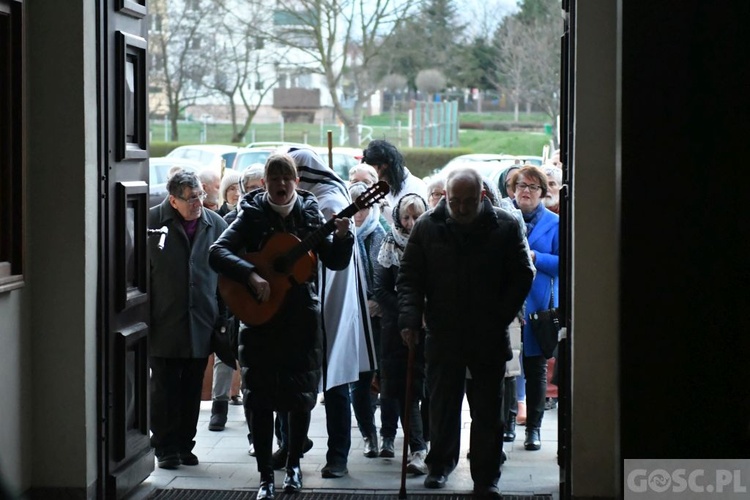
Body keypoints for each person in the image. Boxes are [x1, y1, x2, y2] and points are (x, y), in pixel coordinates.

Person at [208, 153, 354, 499]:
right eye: (274, 178)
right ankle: (264, 476)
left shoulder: (311, 213)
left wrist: (345, 237)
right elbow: (217, 252)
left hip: (301, 321)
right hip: (259, 323)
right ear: (265, 183)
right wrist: (251, 273)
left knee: (299, 397)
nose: (281, 184)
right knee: (259, 399)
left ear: (297, 182)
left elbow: (334, 261)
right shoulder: (251, 213)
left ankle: (293, 467)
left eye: (287, 178)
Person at [397, 167, 534, 497]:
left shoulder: (505, 225)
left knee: (488, 410)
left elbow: (523, 273)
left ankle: (486, 477)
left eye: (468, 201)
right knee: (442, 404)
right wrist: (410, 318)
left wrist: (500, 315)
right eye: (454, 201)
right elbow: (410, 278)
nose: (460, 208)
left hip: (488, 332)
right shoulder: (429, 227)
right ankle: (440, 464)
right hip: (443, 331)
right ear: (445, 197)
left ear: (482, 196)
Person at [290, 147, 377, 479]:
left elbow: (333, 254)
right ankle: (295, 449)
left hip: (333, 303)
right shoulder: (305, 200)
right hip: (308, 299)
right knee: (300, 382)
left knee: (335, 382)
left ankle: (337, 455)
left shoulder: (328, 199)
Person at [148, 170, 229, 469]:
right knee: (165, 388)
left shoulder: (215, 224)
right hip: (164, 320)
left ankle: (185, 444)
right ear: (173, 200)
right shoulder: (152, 223)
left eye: (201, 196)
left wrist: (223, 317)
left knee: (192, 387)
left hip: (201, 321)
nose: (198, 203)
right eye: (191, 198)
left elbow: (225, 277)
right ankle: (165, 447)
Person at [374, 193, 430, 475]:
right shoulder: (389, 244)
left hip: (426, 329)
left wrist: (423, 314)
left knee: (419, 389)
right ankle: (409, 445)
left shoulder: (432, 243)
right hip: (396, 329)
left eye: (416, 216)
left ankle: (422, 445)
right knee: (398, 388)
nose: (410, 223)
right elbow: (380, 290)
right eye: (406, 217)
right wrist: (408, 312)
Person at [509, 165, 560, 451]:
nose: (526, 191)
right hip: (507, 308)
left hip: (538, 308)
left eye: (532, 187)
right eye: (521, 186)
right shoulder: (503, 220)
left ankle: (534, 430)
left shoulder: (554, 224)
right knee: (506, 371)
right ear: (513, 190)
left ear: (542, 192)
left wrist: (535, 256)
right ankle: (507, 425)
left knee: (536, 371)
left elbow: (563, 264)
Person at [347, 181, 387, 458]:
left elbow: (388, 278)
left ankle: (387, 434)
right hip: (352, 319)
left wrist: (378, 300)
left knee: (386, 378)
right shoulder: (342, 235)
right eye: (354, 207)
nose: (359, 214)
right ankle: (368, 433)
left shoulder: (381, 234)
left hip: (379, 318)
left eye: (364, 207)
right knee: (358, 382)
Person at [361, 139, 428, 225]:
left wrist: (382, 206)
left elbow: (410, 224)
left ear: (384, 165)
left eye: (371, 166)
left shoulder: (415, 187)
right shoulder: (378, 186)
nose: (369, 172)